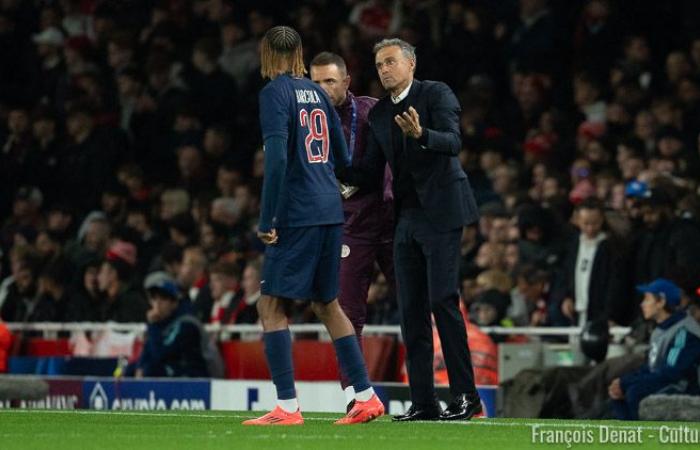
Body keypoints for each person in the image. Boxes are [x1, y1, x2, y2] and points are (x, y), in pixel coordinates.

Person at [243, 26, 383, 426]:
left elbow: (276, 160)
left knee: (269, 304)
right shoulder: (319, 93)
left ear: (268, 54)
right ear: (300, 52)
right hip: (330, 209)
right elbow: (340, 155)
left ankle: (287, 406)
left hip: (298, 212)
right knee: (327, 304)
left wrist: (268, 217)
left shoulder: (274, 94)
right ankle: (367, 396)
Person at [339, 38, 481, 421]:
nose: (384, 69)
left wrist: (422, 135)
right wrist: (328, 164)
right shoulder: (381, 115)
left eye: (390, 62)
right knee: (411, 310)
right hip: (405, 219)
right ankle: (423, 402)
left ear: (411, 64)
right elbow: (369, 171)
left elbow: (453, 142)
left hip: (443, 213)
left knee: (442, 301)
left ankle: (467, 397)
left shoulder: (436, 94)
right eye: (379, 64)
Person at [310, 51, 395, 410]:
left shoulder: (373, 111)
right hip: (348, 226)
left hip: (391, 220)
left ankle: (435, 390)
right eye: (314, 83)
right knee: (346, 312)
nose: (322, 89)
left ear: (346, 82)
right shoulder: (303, 123)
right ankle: (356, 397)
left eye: (329, 81)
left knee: (419, 304)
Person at [609, 279, 700, 420]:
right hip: (666, 380)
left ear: (661, 302)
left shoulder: (684, 331)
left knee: (635, 392)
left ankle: (640, 438)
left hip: (684, 388)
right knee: (617, 391)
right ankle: (625, 438)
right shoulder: (659, 330)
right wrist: (623, 381)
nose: (642, 304)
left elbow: (672, 373)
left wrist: (628, 383)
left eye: (647, 299)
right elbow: (651, 367)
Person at [134, 272, 209, 378]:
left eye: (163, 298)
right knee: (130, 369)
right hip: (171, 372)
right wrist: (139, 367)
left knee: (150, 370)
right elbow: (148, 350)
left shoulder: (187, 323)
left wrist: (153, 325)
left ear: (174, 302)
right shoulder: (162, 320)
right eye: (154, 298)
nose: (157, 304)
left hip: (192, 381)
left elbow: (160, 354)